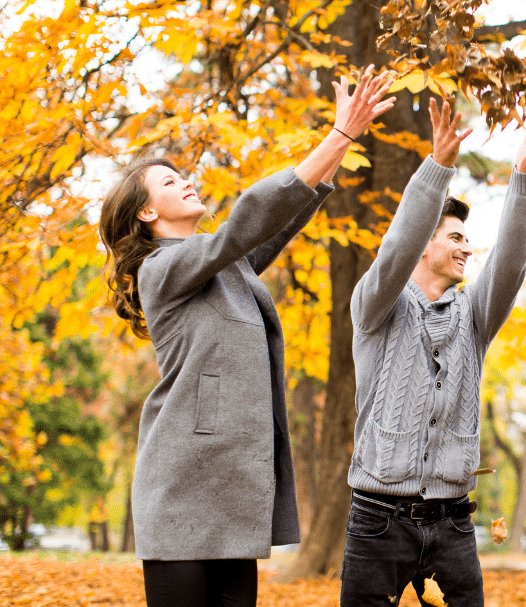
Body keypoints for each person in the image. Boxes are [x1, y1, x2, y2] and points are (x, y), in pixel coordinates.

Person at [99, 66, 395, 607]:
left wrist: (340, 144)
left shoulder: (224, 265)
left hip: (232, 490)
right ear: (146, 212)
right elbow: (243, 225)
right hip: (179, 486)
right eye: (169, 181)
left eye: (182, 174)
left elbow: (271, 225)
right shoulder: (159, 270)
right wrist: (339, 136)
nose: (186, 180)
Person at [341, 98, 526, 607]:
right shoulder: (375, 308)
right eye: (456, 237)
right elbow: (394, 249)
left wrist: (525, 173)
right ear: (424, 243)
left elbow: (508, 264)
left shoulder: (474, 317)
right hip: (378, 521)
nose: (468, 248)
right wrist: (437, 167)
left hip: (453, 522)